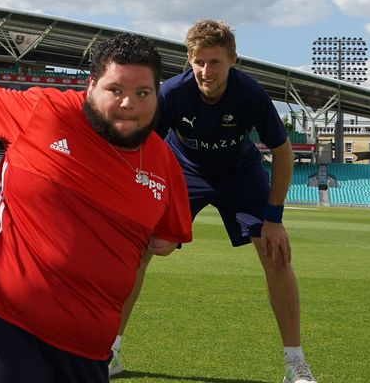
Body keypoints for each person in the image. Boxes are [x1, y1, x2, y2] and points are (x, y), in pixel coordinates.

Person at [0, 33, 193, 383]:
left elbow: (164, 242)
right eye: (115, 90)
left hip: (88, 346)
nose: (128, 104)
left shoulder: (165, 164)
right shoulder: (47, 110)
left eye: (142, 93)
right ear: (91, 86)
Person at [109, 20, 317, 383]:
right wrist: (141, 202)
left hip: (240, 172)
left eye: (216, 62)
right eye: (200, 62)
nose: (207, 71)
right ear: (189, 60)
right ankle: (109, 351)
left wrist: (274, 217)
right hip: (182, 172)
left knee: (276, 253)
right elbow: (143, 147)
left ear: (233, 60)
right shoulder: (171, 93)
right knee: (137, 250)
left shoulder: (250, 94)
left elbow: (283, 152)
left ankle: (295, 364)